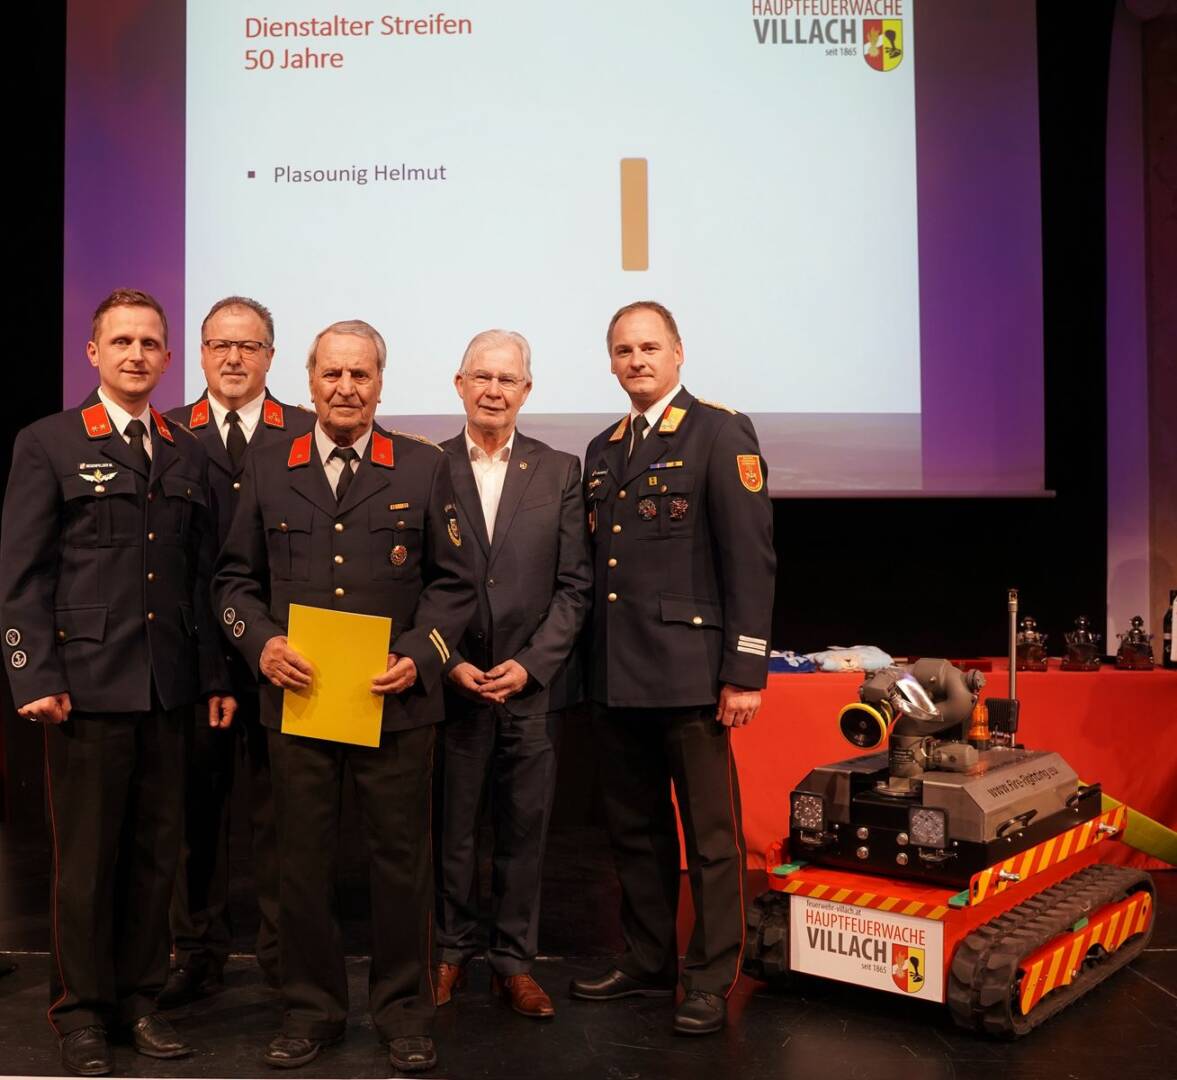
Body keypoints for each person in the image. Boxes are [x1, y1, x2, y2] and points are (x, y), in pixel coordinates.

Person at [212, 319, 476, 1073]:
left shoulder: (422, 467)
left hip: (395, 704)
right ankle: (310, 1010)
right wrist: (261, 644)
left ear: (380, 383)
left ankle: (403, 1014)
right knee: (299, 864)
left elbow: (456, 585)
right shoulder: (269, 465)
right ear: (309, 380)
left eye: (360, 374)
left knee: (401, 864)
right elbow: (233, 581)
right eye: (332, 373)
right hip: (299, 704)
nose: (346, 388)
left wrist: (419, 656)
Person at [0, 288, 235, 1075]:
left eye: (149, 342)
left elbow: (200, 579)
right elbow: (23, 570)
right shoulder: (50, 442)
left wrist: (211, 676)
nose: (136, 354)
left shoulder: (185, 451)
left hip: (166, 688)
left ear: (168, 358)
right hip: (86, 688)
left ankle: (139, 1003)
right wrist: (33, 670)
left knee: (155, 857)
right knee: (87, 864)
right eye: (122, 341)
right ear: (93, 352)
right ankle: (81, 1014)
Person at [571, 301, 775, 1035]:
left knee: (711, 840)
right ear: (611, 361)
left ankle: (710, 976)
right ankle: (648, 957)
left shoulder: (720, 432)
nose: (637, 361)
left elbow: (749, 558)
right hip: (616, 673)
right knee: (635, 832)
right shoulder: (603, 448)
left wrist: (744, 670)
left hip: (691, 675)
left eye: (649, 347)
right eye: (624, 350)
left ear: (678, 352)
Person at [434, 330, 592, 1018]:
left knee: (524, 834)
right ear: (459, 383)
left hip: (531, 691)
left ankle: (513, 963)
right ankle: (448, 953)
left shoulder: (559, 471)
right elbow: (413, 584)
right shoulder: (427, 466)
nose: (493, 391)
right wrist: (448, 661)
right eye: (482, 377)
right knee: (452, 833)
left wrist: (530, 666)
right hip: (454, 688)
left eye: (507, 380)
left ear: (526, 390)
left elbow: (575, 587)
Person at [161, 296, 314, 1005]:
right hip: (196, 661)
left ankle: (284, 958)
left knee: (284, 819)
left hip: (289, 657)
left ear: (271, 356)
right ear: (199, 353)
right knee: (195, 816)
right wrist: (213, 666)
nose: (233, 358)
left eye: (248, 346)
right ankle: (195, 950)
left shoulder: (308, 430)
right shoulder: (166, 433)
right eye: (220, 345)